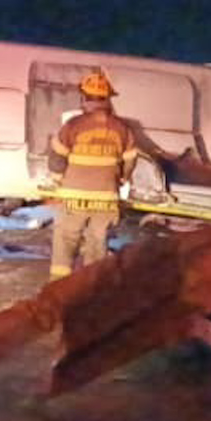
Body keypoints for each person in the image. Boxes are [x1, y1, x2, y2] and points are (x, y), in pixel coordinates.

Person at [45, 69, 140, 279]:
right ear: (107, 100)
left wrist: (58, 180)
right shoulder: (122, 128)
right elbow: (131, 160)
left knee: (65, 243)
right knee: (97, 245)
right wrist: (122, 178)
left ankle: (58, 290)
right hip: (105, 199)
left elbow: (56, 158)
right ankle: (89, 292)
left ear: (84, 99)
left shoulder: (73, 126)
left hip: (73, 197)